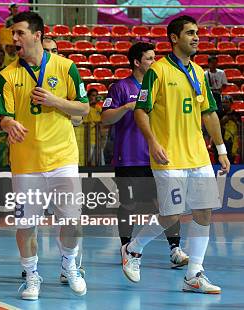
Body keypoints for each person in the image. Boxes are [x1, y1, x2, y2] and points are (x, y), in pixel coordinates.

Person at [124, 15, 229, 294]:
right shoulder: (157, 71)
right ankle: (133, 249)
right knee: (171, 215)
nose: (196, 37)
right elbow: (140, 111)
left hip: (197, 155)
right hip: (168, 156)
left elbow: (208, 113)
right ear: (174, 38)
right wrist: (153, 142)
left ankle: (194, 274)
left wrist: (220, 150)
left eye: (197, 33)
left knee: (204, 212)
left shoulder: (198, 72)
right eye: (190, 33)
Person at [0, 11, 89, 299]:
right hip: (26, 163)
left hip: (62, 159)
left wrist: (55, 101)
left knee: (72, 221)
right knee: (26, 225)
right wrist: (9, 123)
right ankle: (32, 275)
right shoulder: (7, 75)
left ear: (37, 35)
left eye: (20, 33)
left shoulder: (66, 67)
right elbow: (3, 116)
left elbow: (83, 108)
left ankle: (69, 265)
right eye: (13, 34)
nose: (15, 39)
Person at [101, 42, 189, 268]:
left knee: (166, 204)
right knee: (128, 204)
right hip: (129, 158)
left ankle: (175, 249)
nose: (154, 62)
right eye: (149, 58)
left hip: (157, 157)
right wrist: (126, 108)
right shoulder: (120, 88)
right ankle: (126, 246)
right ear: (137, 62)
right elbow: (105, 118)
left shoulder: (161, 86)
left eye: (154, 57)